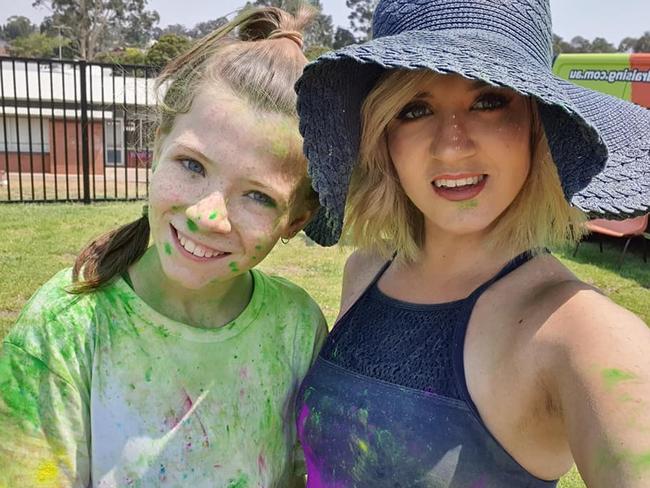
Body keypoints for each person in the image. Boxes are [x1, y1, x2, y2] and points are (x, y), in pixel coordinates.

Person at [293, 0, 650, 486]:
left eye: (488, 101)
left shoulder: (583, 335)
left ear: (537, 125)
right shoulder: (365, 271)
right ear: (383, 135)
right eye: (414, 109)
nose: (451, 145)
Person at [0, 6, 326, 487]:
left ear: (295, 220)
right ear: (157, 147)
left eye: (257, 196)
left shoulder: (297, 327)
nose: (206, 215)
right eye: (192, 166)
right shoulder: (63, 329)